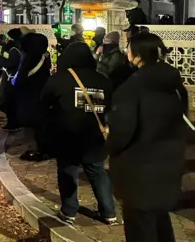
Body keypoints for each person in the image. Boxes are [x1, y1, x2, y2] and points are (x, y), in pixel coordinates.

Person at [107, 33, 188, 242]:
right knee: (160, 220)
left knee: (140, 228)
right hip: (169, 165)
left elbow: (121, 135)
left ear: (138, 54)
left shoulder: (131, 89)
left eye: (129, 48)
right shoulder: (175, 86)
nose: (126, 52)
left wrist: (109, 140)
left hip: (139, 173)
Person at [41, 42, 117, 225]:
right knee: (98, 171)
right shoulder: (102, 80)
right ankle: (109, 212)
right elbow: (110, 106)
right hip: (95, 135)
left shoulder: (60, 78)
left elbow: (44, 100)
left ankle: (69, 210)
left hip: (68, 135)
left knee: (68, 171)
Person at [14, 33, 51, 161]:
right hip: (42, 96)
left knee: (31, 127)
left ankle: (33, 150)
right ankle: (43, 149)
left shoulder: (29, 57)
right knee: (41, 126)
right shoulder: (44, 57)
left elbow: (21, 79)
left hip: (29, 97)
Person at [0, 28, 23, 131]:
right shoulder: (13, 48)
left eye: (8, 37)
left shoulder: (14, 49)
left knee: (10, 101)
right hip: (10, 77)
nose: (7, 39)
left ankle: (12, 123)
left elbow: (10, 63)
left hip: (11, 78)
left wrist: (2, 62)